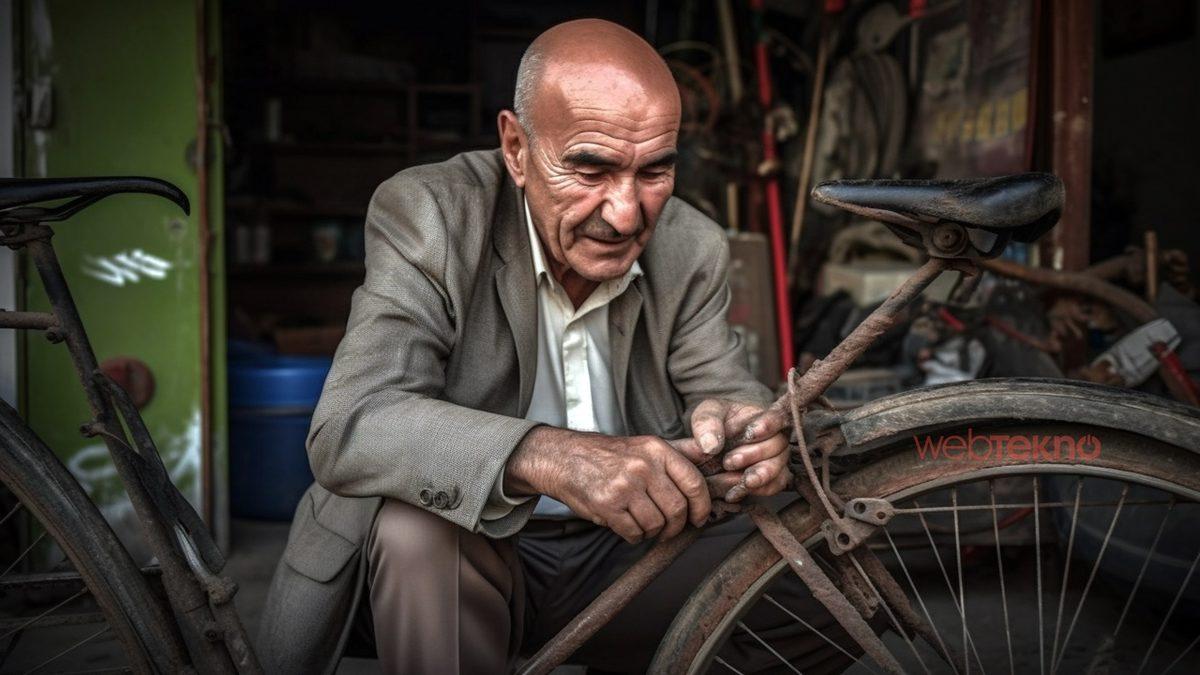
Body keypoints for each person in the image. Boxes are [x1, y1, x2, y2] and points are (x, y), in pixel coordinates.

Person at [258, 18, 854, 674]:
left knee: (838, 579)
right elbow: (351, 424)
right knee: (418, 532)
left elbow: (722, 382)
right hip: (471, 552)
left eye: (655, 170)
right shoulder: (431, 214)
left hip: (631, 554)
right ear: (515, 147)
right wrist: (554, 457)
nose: (627, 214)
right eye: (591, 168)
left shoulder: (692, 245)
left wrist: (739, 423)